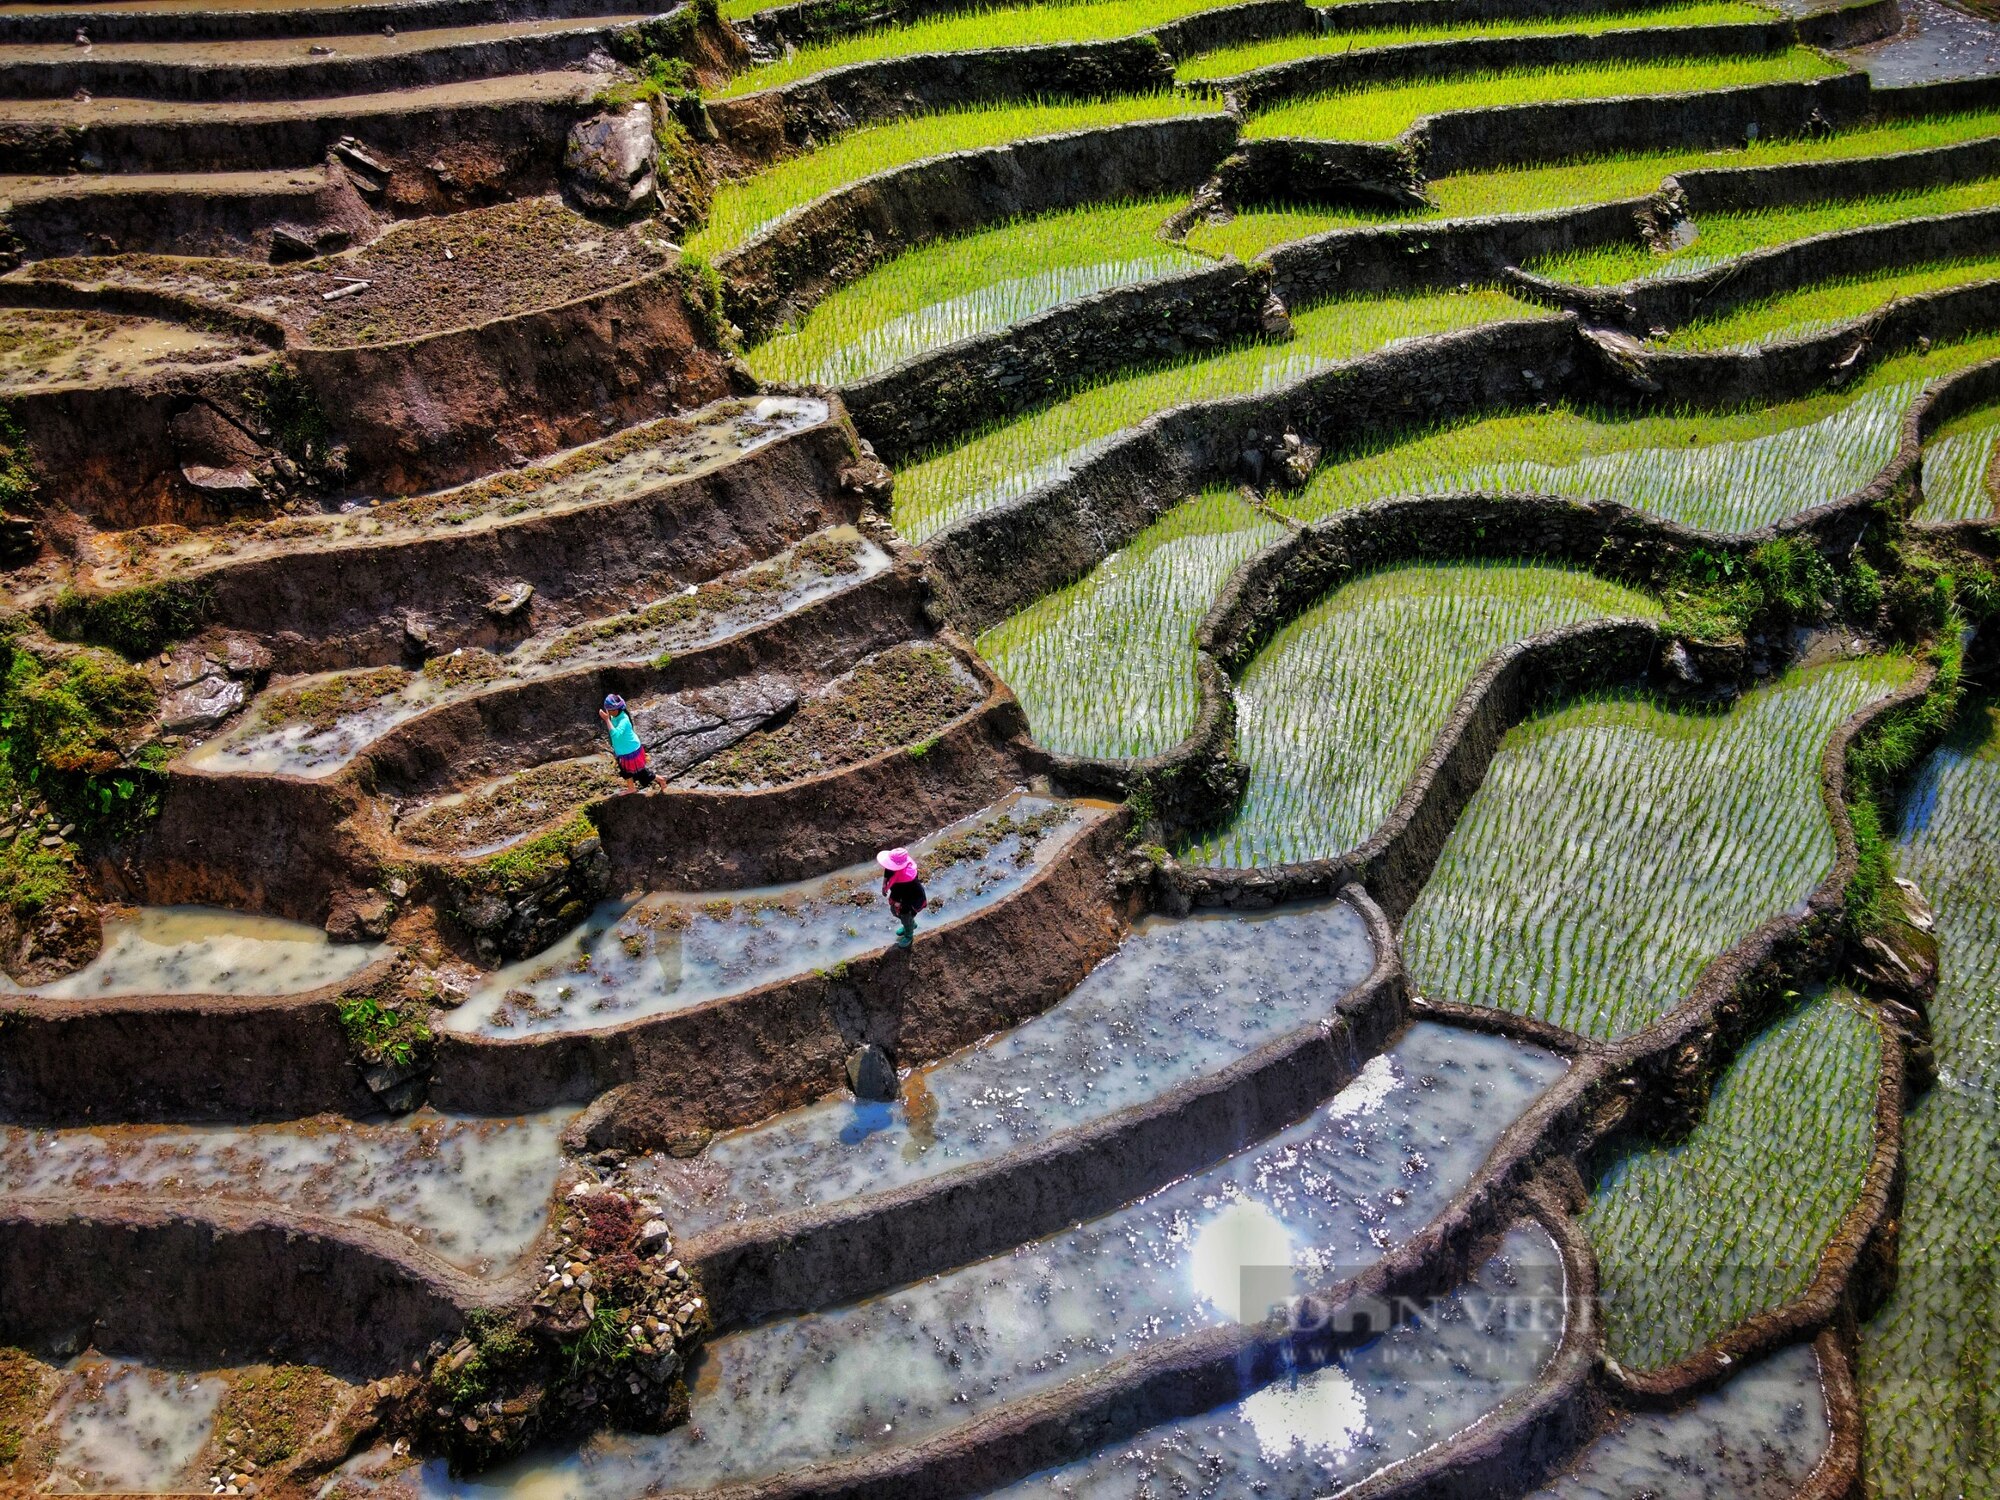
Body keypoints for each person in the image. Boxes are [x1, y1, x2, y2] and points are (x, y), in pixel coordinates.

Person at [599, 693, 654, 792]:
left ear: (615, 710)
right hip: (622, 751)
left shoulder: (624, 719)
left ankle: (661, 780)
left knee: (642, 774)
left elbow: (615, 735)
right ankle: (631, 788)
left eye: (609, 710)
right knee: (625, 771)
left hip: (631, 750)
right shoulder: (614, 716)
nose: (608, 712)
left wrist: (606, 720)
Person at [876, 847, 925, 949]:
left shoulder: (908, 879)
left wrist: (901, 903)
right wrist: (885, 882)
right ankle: (911, 924)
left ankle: (909, 935)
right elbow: (888, 870)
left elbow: (910, 894)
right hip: (898, 895)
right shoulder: (893, 868)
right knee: (894, 911)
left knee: (905, 915)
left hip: (910, 899)